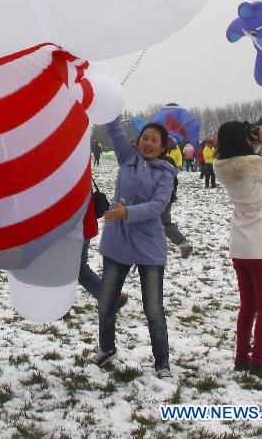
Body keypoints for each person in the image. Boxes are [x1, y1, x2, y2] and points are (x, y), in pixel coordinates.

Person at [95, 119, 176, 377]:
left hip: (149, 246)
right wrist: (109, 109)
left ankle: (162, 362)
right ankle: (107, 348)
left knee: (153, 307)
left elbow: (157, 206)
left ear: (162, 147)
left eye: (154, 140)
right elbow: (115, 130)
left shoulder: (165, 173)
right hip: (117, 243)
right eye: (145, 138)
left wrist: (126, 212)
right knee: (107, 301)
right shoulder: (127, 159)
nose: (148, 143)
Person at [214, 122, 262, 379]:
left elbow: (244, 160)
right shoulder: (256, 165)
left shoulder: (222, 166)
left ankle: (241, 357)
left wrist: (254, 145)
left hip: (240, 242)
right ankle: (259, 360)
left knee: (247, 305)